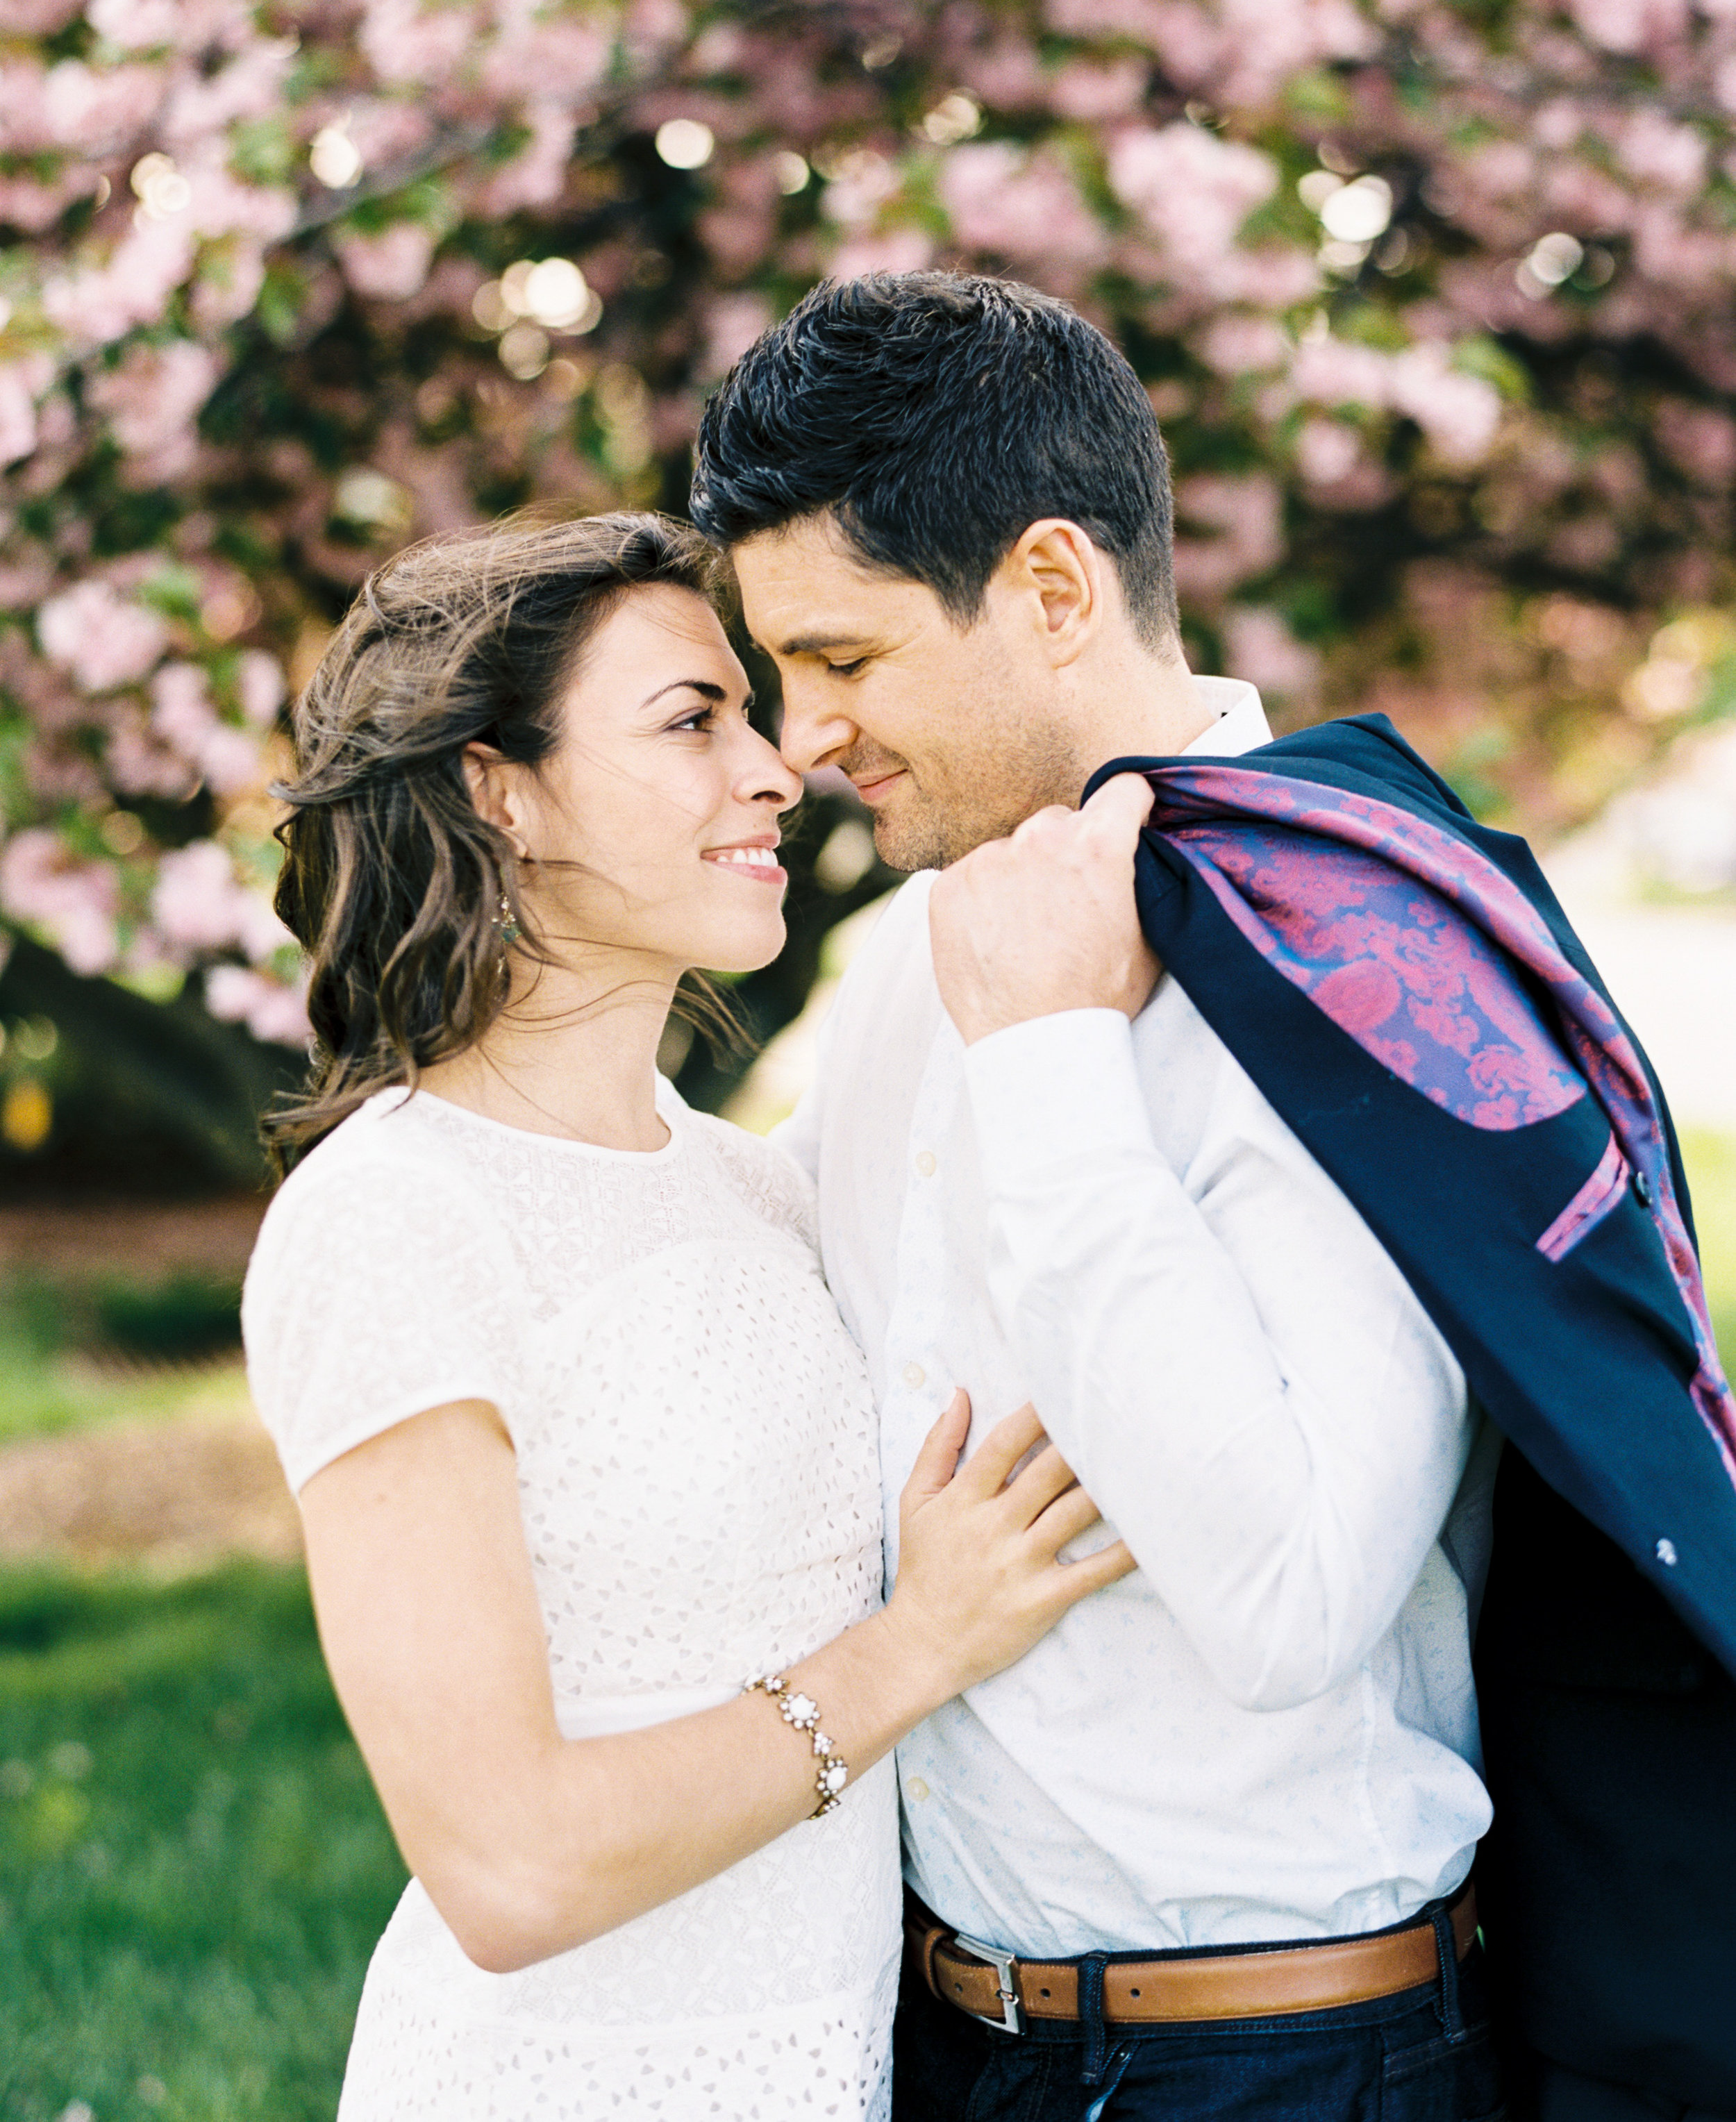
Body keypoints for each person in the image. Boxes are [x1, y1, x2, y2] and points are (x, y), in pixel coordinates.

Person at [689, 271, 1736, 2122]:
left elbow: (1288, 1599)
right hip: (932, 2037)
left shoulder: (1349, 963)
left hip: (1286, 2062)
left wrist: (1046, 1066)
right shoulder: (898, 965)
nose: (800, 734)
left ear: (1051, 589)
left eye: (842, 660)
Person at [240, 508, 1132, 2121]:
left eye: (752, 709)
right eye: (690, 720)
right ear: (496, 789)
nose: (778, 767)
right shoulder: (391, 1221)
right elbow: (506, 1863)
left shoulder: (759, 1189)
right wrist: (911, 1648)